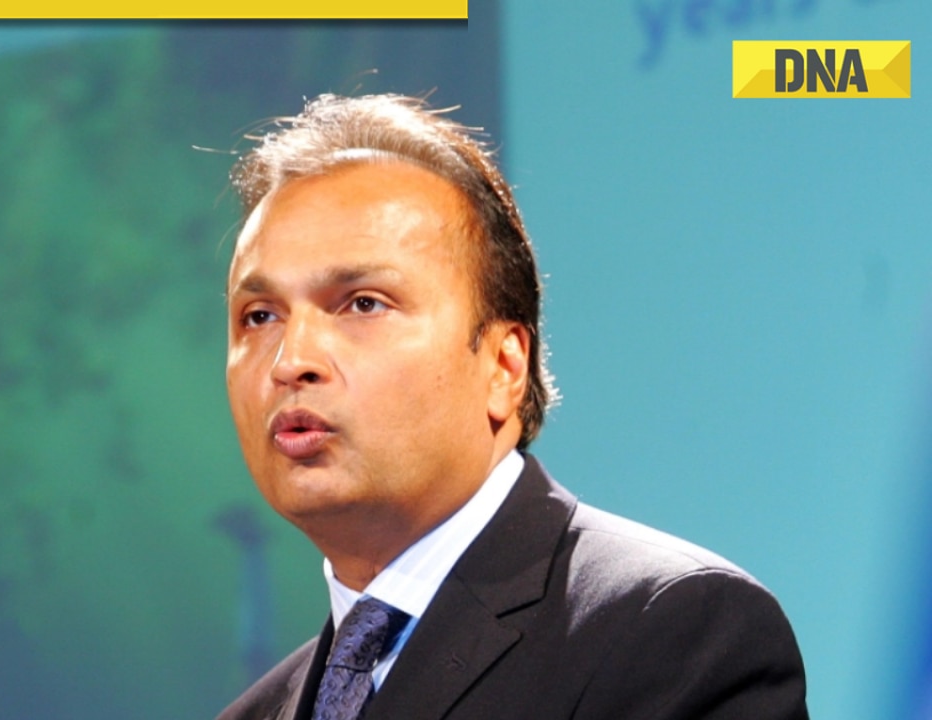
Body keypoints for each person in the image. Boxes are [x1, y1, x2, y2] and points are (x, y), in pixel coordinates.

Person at [216, 93, 808, 720]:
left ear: (504, 366)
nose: (290, 361)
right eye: (260, 316)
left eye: (364, 303)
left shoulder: (672, 633)